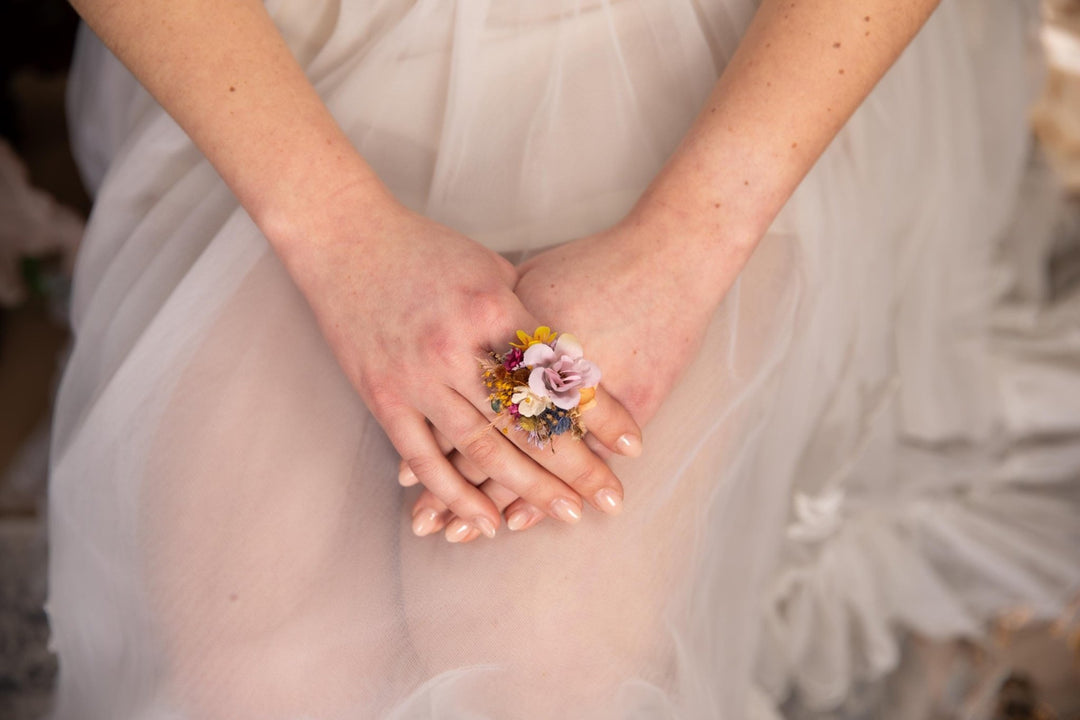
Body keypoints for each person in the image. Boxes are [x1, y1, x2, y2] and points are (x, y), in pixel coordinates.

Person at [48, 0, 1080, 718]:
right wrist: (340, 237)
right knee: (251, 678)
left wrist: (678, 252)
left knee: (545, 667)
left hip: (711, 70)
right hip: (275, 64)